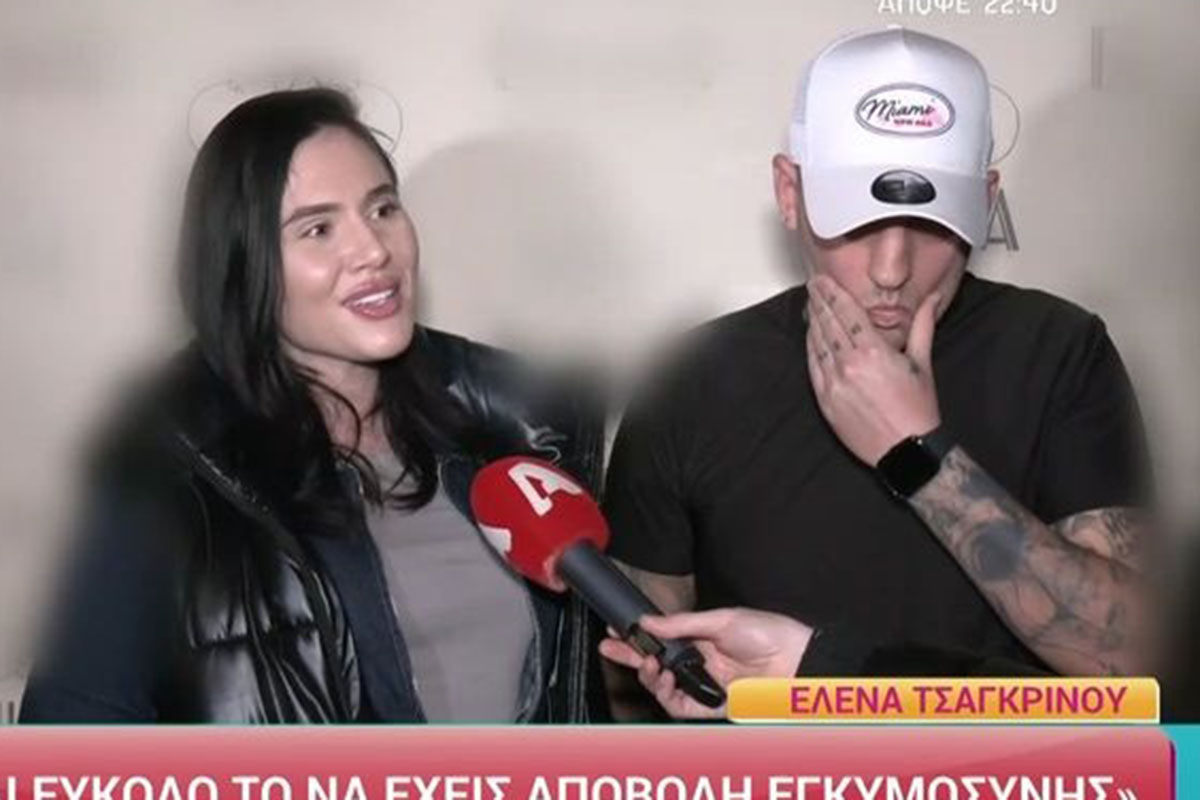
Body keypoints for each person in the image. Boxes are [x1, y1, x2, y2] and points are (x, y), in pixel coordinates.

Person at [601, 27, 1155, 713]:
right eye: (858, 221)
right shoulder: (691, 381)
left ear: (985, 203)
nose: (892, 269)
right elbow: (633, 686)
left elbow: (1135, 665)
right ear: (790, 191)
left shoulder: (1061, 352)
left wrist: (921, 458)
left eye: (930, 223)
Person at [19, 88, 606, 723]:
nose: (373, 250)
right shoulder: (159, 477)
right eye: (318, 229)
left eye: (382, 208)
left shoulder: (516, 426)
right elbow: (73, 739)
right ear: (244, 262)